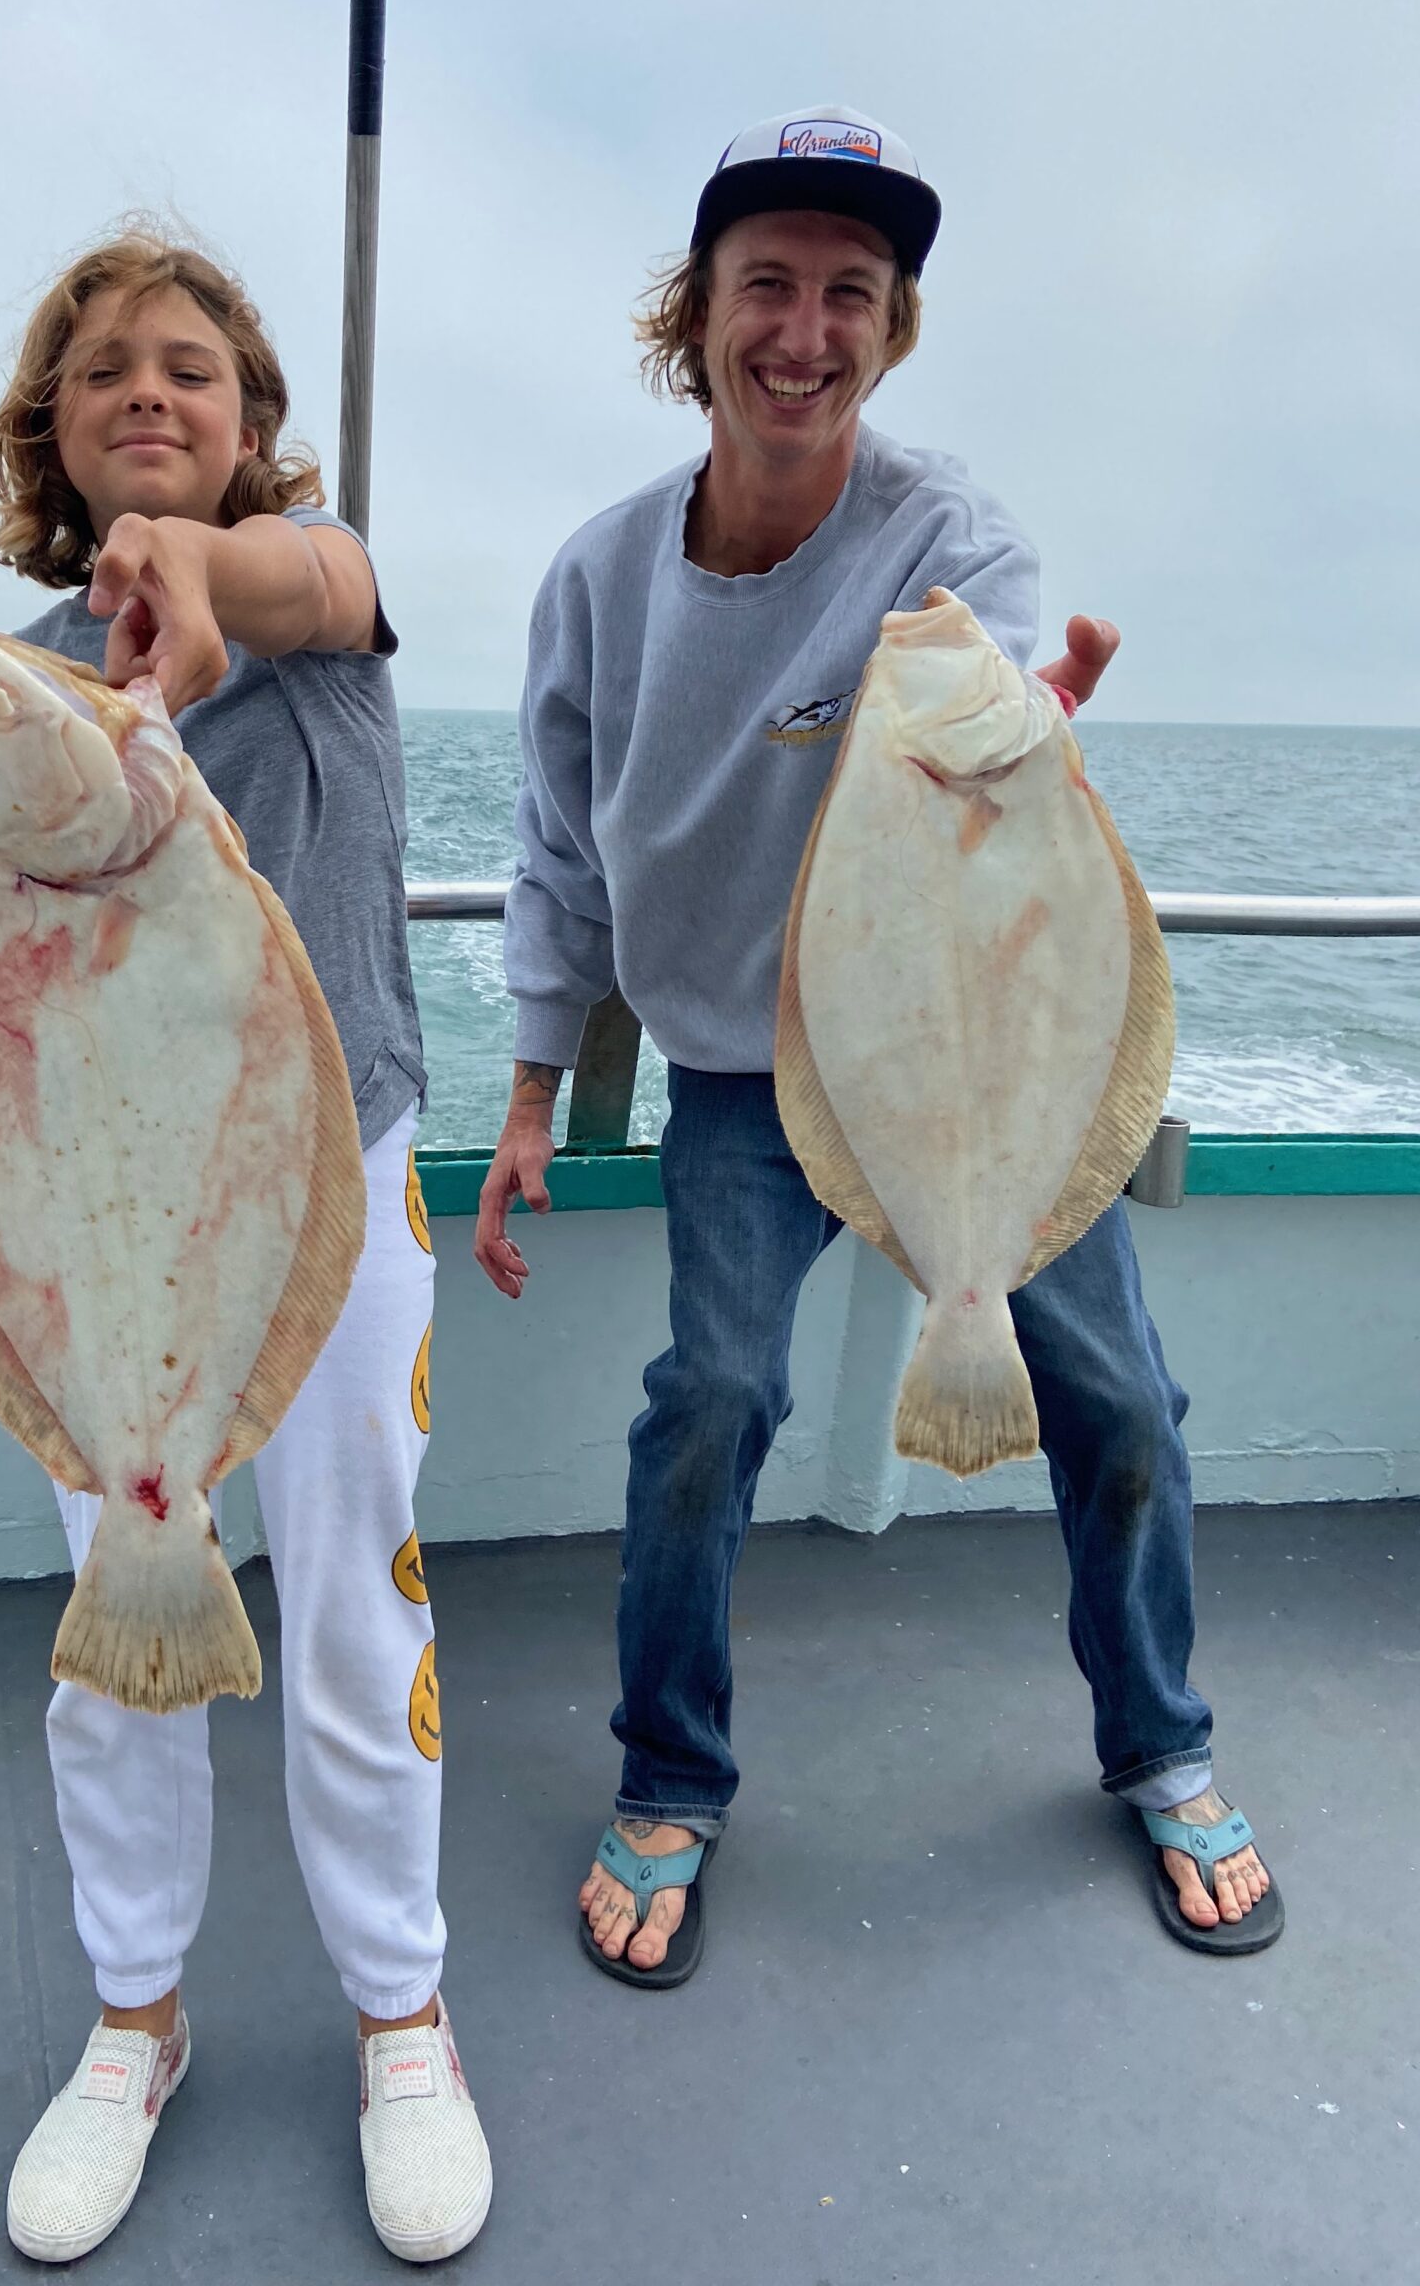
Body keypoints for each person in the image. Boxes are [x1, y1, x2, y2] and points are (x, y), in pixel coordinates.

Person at [474, 107, 1283, 1987]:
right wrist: (530, 1079)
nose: (806, 332)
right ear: (700, 315)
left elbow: (990, 704)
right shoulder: (597, 580)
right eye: (769, 285)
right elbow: (552, 843)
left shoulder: (952, 532)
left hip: (983, 1060)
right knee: (711, 1410)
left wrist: (1029, 717)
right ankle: (670, 1776)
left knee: (1128, 1405)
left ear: (894, 328)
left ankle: (1161, 1742)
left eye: (853, 294)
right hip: (744, 1081)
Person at [0, 225, 490, 2262]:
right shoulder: (20, 679)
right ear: (62, 433)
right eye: (107, 373)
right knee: (122, 1627)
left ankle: (403, 2011)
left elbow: (308, 582)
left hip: (340, 1197)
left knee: (361, 1613)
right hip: (100, 1238)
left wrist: (204, 590)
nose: (150, 392)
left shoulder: (322, 589)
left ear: (253, 421)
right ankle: (134, 2016)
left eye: (190, 365)